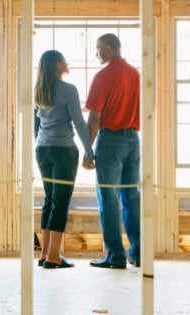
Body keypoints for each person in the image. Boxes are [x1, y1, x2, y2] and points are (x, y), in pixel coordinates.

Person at [83, 33, 141, 269]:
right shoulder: (135, 74)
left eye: (98, 49)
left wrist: (88, 150)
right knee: (132, 198)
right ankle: (138, 254)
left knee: (108, 199)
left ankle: (115, 256)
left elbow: (95, 117)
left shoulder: (103, 76)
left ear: (108, 48)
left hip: (110, 141)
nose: (96, 54)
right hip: (133, 140)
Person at [34, 50, 94, 269]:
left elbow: (35, 125)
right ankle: (54, 257)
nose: (66, 62)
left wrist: (40, 143)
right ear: (58, 64)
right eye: (63, 59)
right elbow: (79, 123)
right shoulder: (68, 90)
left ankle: (44, 254)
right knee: (61, 203)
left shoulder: (39, 90)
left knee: (49, 199)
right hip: (63, 151)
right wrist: (89, 151)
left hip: (42, 150)